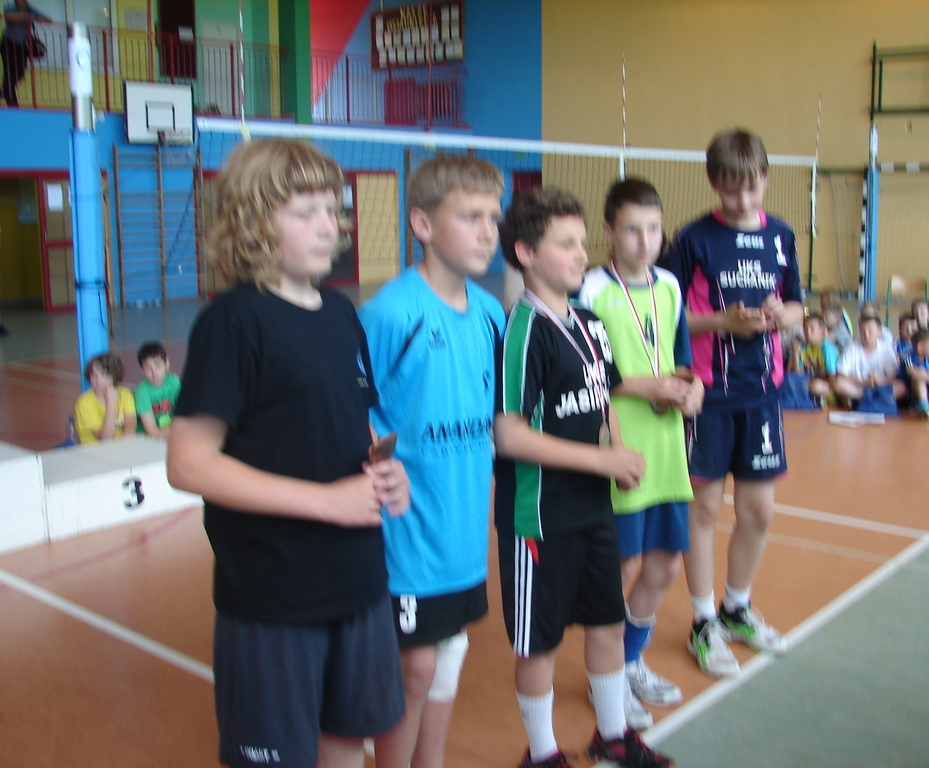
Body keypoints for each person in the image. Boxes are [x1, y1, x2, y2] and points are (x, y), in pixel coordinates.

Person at [165, 138, 410, 768]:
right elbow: (188, 463)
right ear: (252, 223)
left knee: (347, 741)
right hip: (273, 596)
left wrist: (386, 472)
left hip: (358, 583)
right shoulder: (233, 323)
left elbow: (350, 424)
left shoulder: (341, 314)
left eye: (333, 209)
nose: (330, 226)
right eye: (306, 212)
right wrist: (326, 502)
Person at [495, 187, 672, 768]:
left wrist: (618, 454)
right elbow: (509, 434)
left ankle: (612, 734)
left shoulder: (589, 323)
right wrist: (602, 462)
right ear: (526, 252)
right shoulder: (525, 330)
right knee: (539, 641)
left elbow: (604, 399)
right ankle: (542, 752)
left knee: (607, 622)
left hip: (594, 508)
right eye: (564, 244)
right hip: (540, 517)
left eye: (581, 242)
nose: (580, 254)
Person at [358, 156, 506, 768]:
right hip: (407, 531)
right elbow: (350, 407)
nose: (488, 232)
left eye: (493, 218)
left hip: (462, 528)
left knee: (448, 654)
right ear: (422, 224)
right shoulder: (391, 313)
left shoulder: (492, 314)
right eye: (470, 217)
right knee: (415, 665)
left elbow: (496, 415)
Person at [660, 127, 803, 678]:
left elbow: (796, 303)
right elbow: (667, 315)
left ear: (765, 178)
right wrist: (723, 321)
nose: (742, 199)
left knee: (759, 511)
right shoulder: (693, 239)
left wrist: (782, 316)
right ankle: (702, 621)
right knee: (703, 510)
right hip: (706, 394)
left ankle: (736, 608)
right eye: (730, 188)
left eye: (751, 187)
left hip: (761, 391)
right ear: (713, 183)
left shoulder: (782, 235)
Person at [577, 178, 703, 730]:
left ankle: (629, 662)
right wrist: (642, 387)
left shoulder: (670, 286)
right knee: (621, 566)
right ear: (609, 230)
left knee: (664, 564)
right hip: (621, 447)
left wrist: (692, 388)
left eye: (653, 228)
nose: (645, 240)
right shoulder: (590, 290)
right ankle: (604, 678)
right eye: (632, 229)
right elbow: (583, 371)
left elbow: (681, 358)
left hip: (667, 448)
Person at [833, 311, 905, 402]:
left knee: (901, 387)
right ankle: (869, 398)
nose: (866, 335)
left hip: (881, 387)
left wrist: (880, 380)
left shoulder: (886, 348)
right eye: (863, 332)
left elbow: (893, 375)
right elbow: (842, 374)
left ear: (879, 331)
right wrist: (863, 382)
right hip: (859, 388)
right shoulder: (851, 347)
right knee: (838, 383)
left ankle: (873, 399)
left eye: (870, 331)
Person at [74, 352, 136, 443]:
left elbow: (130, 427)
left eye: (104, 374)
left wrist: (123, 446)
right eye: (93, 374)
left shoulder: (125, 394)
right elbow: (106, 439)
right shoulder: (84, 403)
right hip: (97, 449)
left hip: (121, 445)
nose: (98, 380)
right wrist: (111, 403)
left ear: (113, 375)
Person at [1, 0, 50, 107]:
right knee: (9, 75)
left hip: (22, 46)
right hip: (8, 44)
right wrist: (29, 17)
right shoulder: (10, 6)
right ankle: (13, 106)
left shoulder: (30, 9)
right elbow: (9, 17)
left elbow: (48, 20)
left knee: (20, 73)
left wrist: (32, 17)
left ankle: (4, 93)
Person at [788, 312, 838, 407]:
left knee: (815, 386)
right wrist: (795, 354)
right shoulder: (803, 348)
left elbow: (832, 376)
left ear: (822, 330)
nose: (808, 333)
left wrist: (833, 390)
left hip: (826, 385)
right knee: (791, 381)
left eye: (812, 329)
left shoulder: (827, 349)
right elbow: (799, 374)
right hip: (808, 382)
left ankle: (830, 398)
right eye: (805, 329)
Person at [134, 340, 181, 438]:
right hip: (148, 439)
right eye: (148, 368)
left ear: (166, 363)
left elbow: (186, 413)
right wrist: (179, 427)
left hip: (172, 432)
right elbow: (153, 432)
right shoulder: (142, 391)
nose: (154, 372)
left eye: (157, 365)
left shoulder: (174, 381)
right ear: (142, 370)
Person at [819, 289, 853, 354]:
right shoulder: (834, 318)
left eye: (826, 316)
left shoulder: (840, 328)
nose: (823, 318)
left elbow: (826, 339)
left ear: (837, 317)